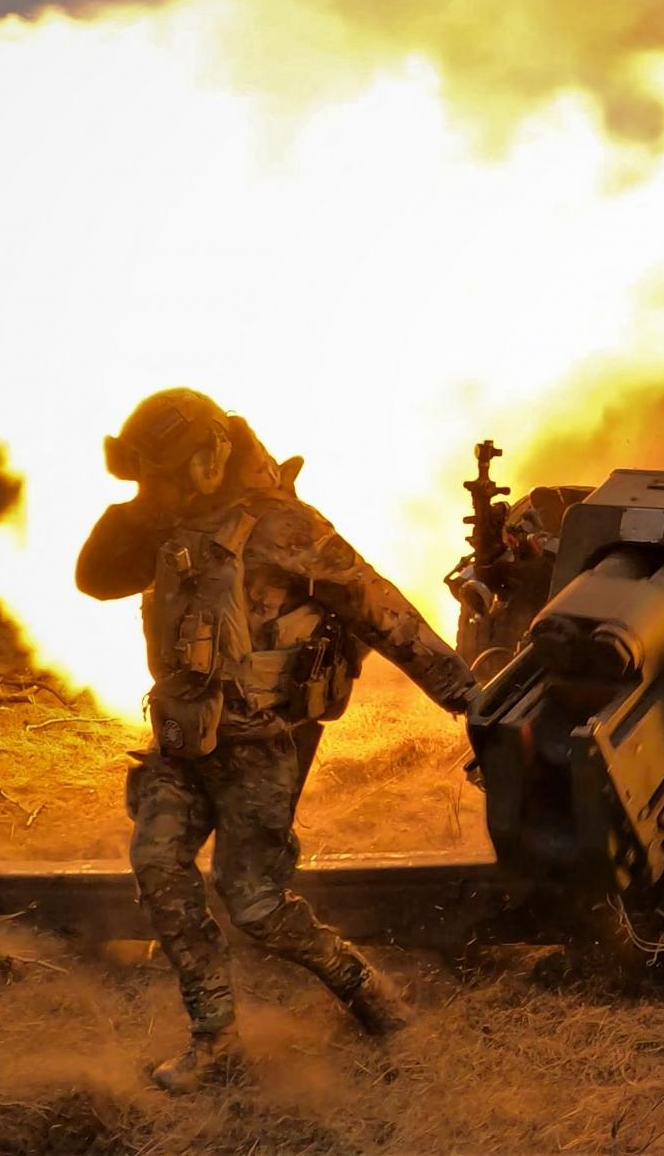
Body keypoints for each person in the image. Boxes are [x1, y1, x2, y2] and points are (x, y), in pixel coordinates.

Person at [76, 388, 479, 1093]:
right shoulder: (165, 521)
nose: (159, 487)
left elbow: (380, 607)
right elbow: (95, 578)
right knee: (159, 861)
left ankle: (366, 989)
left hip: (262, 744)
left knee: (256, 904)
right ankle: (216, 1038)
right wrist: (143, 507)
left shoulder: (283, 527)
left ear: (211, 456)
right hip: (182, 738)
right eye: (149, 476)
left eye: (167, 472)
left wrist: (467, 694)